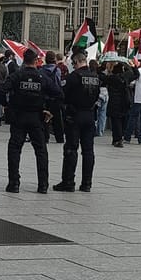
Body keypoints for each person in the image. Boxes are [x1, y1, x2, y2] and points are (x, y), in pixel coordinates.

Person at [5, 48, 59, 194]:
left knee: (15, 149)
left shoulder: (17, 75)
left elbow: (1, 90)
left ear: (23, 59)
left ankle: (14, 183)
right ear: (36, 61)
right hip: (37, 117)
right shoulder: (42, 77)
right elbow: (58, 93)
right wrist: (49, 109)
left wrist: (9, 106)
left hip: (19, 116)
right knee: (41, 151)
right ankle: (43, 185)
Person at [53, 50, 100, 192]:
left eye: (73, 63)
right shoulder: (95, 76)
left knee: (71, 149)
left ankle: (68, 181)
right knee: (88, 151)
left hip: (75, 115)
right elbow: (97, 95)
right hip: (90, 115)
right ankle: (87, 183)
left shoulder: (74, 76)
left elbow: (63, 94)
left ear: (77, 62)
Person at [104, 62, 130, 148]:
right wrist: (127, 65)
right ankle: (119, 138)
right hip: (124, 102)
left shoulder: (110, 78)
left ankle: (117, 139)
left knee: (116, 122)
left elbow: (101, 77)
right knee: (122, 120)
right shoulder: (125, 78)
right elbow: (136, 74)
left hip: (114, 102)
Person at [41, 50, 64, 143]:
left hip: (45, 96)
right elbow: (58, 82)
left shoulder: (41, 70)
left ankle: (45, 137)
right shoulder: (57, 70)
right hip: (55, 96)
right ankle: (59, 138)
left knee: (45, 117)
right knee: (57, 118)